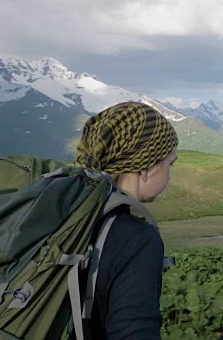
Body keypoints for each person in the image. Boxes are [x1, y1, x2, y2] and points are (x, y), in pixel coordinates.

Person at [74, 101, 178, 339]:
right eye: (169, 163)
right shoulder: (137, 239)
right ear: (145, 168)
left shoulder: (70, 215)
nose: (170, 175)